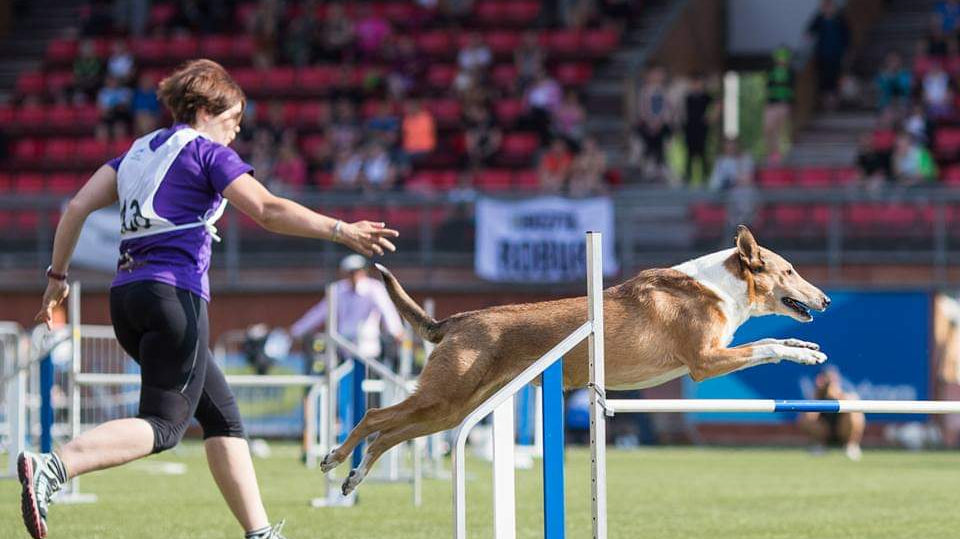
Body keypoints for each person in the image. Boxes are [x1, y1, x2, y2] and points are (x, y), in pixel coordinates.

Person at [22, 59, 398, 539]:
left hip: (127, 297)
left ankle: (260, 533)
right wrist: (341, 229)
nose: (236, 132)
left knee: (222, 416)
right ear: (202, 110)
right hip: (173, 297)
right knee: (163, 425)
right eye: (233, 120)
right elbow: (267, 208)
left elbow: (76, 207)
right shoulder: (205, 153)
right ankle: (52, 466)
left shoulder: (138, 151)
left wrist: (57, 274)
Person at [289, 254, 404, 361]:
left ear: (364, 271)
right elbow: (320, 313)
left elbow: (387, 310)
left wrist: (396, 331)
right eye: (350, 272)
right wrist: (297, 331)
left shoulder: (374, 289)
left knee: (366, 380)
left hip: (368, 347)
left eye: (356, 271)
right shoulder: (338, 289)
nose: (354, 276)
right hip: (342, 347)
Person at [798, 367, 865, 461]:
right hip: (826, 428)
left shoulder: (846, 389)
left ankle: (851, 445)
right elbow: (810, 416)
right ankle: (820, 444)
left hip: (842, 428)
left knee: (854, 413)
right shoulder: (817, 393)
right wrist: (818, 397)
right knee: (806, 415)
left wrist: (837, 396)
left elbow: (857, 410)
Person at [806, 0, 850, 110]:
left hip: (836, 55)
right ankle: (827, 104)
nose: (829, 9)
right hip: (823, 56)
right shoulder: (819, 20)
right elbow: (809, 31)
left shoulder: (840, 19)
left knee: (836, 79)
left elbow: (847, 36)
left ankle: (835, 103)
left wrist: (847, 51)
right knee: (824, 80)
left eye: (830, 6)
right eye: (826, 7)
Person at [764, 46, 794, 164]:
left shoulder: (790, 73)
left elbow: (791, 90)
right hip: (772, 104)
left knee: (780, 129)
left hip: (783, 104)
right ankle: (771, 152)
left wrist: (788, 103)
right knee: (768, 128)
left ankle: (781, 153)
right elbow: (768, 88)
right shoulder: (771, 72)